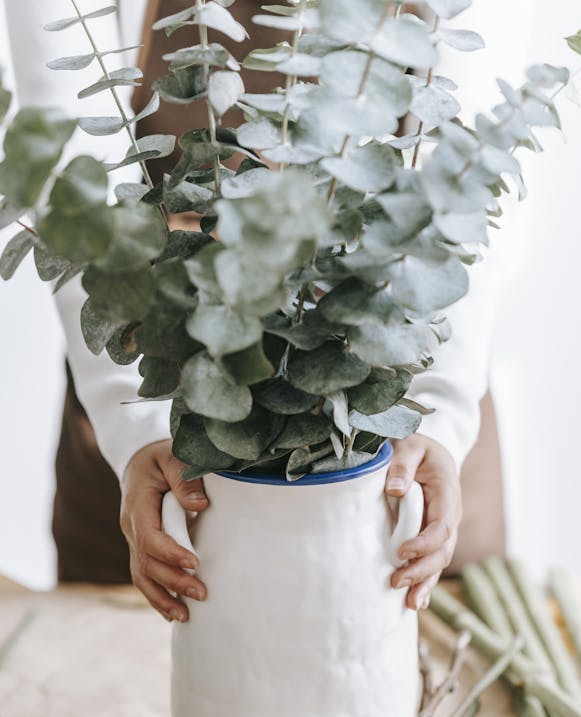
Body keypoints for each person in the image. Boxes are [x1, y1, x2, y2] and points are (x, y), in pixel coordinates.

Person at [4, 0, 505, 618]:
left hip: (397, 383)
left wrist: (442, 414)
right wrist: (133, 428)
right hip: (152, 368)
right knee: (141, 670)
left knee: (422, 664)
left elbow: (468, 160)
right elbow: (66, 161)